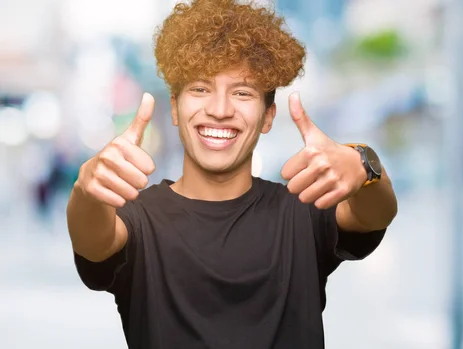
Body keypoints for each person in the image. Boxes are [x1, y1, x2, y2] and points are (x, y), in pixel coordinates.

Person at [66, 0, 398, 348]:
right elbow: (93, 241)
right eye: (200, 89)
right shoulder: (137, 218)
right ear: (175, 108)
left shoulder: (302, 211)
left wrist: (363, 165)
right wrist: (86, 192)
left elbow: (375, 215)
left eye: (242, 93)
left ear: (268, 116)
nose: (220, 110)